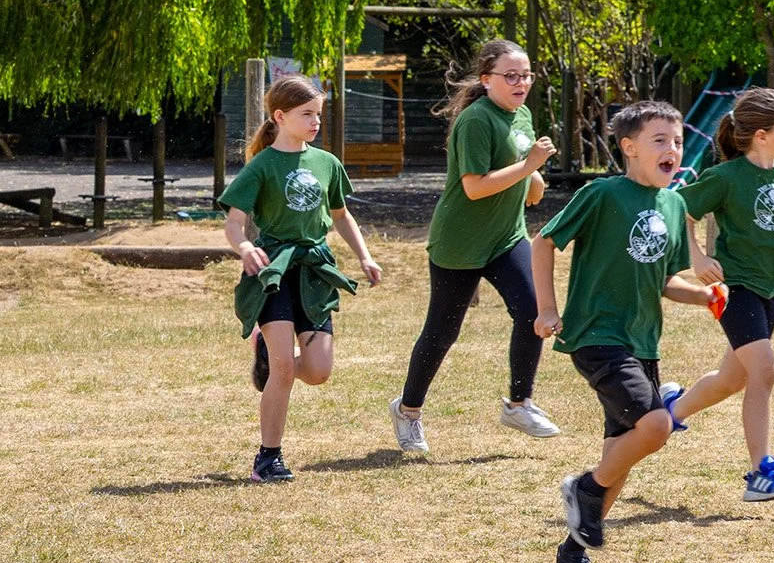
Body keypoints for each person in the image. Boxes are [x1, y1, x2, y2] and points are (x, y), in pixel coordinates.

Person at [538, 102, 719, 563]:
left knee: (620, 454)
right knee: (656, 425)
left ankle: (571, 557)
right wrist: (547, 309)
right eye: (660, 140)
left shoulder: (674, 205)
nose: (672, 149)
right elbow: (544, 242)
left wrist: (703, 296)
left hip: (643, 343)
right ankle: (584, 487)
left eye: (677, 141)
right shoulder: (602, 194)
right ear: (629, 147)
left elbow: (665, 281)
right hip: (597, 336)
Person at [659, 87, 774, 501]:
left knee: (732, 379)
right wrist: (697, 257)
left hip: (773, 287)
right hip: (734, 288)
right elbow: (678, 210)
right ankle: (761, 474)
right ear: (761, 135)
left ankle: (671, 411)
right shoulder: (725, 177)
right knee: (765, 372)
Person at [391, 39, 560, 453]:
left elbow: (522, 165)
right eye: (511, 75)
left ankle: (519, 404)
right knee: (442, 332)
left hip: (506, 237)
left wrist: (534, 178)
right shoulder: (475, 121)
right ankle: (408, 410)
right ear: (486, 80)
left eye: (526, 75)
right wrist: (530, 166)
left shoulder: (521, 114)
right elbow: (475, 187)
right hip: (460, 242)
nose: (521, 83)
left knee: (533, 311)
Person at [223, 76, 383, 482]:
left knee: (318, 371)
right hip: (274, 272)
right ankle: (268, 459)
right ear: (280, 117)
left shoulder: (327, 163)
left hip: (314, 272)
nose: (316, 122)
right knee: (283, 371)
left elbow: (341, 216)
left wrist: (364, 256)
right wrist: (245, 248)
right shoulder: (261, 166)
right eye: (307, 114)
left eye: (318, 115)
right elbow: (234, 224)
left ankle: (267, 355)